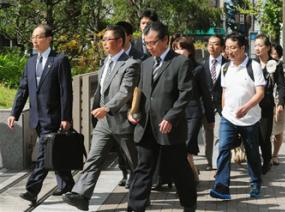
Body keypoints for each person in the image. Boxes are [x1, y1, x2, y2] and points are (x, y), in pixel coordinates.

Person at [62, 25, 140, 211]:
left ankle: (141, 196)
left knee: (134, 162)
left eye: (108, 39)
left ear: (120, 42)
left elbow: (125, 92)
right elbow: (101, 90)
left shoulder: (131, 64)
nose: (104, 43)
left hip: (121, 121)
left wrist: (107, 107)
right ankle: (81, 195)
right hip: (103, 122)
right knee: (94, 157)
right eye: (103, 40)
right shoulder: (105, 63)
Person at [127, 21, 197, 212]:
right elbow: (140, 92)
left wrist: (171, 117)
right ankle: (134, 207)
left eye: (153, 42)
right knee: (143, 168)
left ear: (165, 40)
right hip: (147, 126)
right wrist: (133, 112)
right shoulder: (146, 63)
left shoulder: (180, 62)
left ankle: (189, 204)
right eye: (146, 43)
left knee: (179, 170)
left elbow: (186, 94)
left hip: (170, 127)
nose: (150, 47)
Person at [7, 24, 74, 204]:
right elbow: (23, 89)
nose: (34, 41)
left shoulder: (59, 60)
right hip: (37, 118)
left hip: (54, 117)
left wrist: (66, 117)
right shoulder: (30, 62)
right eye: (33, 37)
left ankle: (32, 190)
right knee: (54, 152)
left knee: (44, 154)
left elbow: (65, 91)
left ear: (49, 38)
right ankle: (67, 183)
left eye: (38, 37)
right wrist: (15, 112)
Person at [210, 32, 265, 200]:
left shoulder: (253, 66)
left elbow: (260, 92)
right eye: (227, 48)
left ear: (242, 48)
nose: (229, 51)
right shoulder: (226, 67)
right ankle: (221, 187)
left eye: (233, 48)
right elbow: (224, 91)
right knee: (223, 148)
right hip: (228, 117)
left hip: (250, 118)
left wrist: (246, 107)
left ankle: (255, 183)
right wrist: (225, 110)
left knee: (252, 153)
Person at [172, 36, 215, 183]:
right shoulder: (170, 67)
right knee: (180, 148)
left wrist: (210, 118)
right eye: (176, 48)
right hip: (176, 114)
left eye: (182, 47)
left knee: (187, 146)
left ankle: (193, 178)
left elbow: (205, 93)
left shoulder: (198, 68)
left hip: (193, 113)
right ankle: (192, 174)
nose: (178, 51)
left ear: (189, 50)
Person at [115, 21, 142, 188]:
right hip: (114, 109)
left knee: (131, 146)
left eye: (120, 36)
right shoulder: (111, 57)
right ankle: (125, 173)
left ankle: (135, 175)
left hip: (132, 108)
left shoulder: (139, 57)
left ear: (128, 37)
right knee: (119, 147)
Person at [254, 34, 285, 174]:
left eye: (260, 45)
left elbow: (281, 85)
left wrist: (281, 103)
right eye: (255, 45)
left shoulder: (275, 64)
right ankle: (254, 162)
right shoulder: (251, 63)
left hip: (266, 105)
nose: (257, 48)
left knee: (264, 136)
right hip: (251, 105)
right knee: (252, 136)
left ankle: (266, 161)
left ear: (267, 47)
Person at [201, 35, 228, 170]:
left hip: (221, 106)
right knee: (207, 135)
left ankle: (218, 164)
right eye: (210, 44)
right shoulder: (201, 64)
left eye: (216, 44)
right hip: (205, 106)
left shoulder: (228, 64)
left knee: (219, 135)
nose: (212, 46)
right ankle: (208, 161)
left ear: (222, 47)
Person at [270, 44, 285, 165]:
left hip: (281, 104)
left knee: (278, 131)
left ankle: (275, 155)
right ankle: (265, 154)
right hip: (266, 104)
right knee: (265, 131)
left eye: (274, 54)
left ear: (279, 55)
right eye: (270, 54)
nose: (272, 56)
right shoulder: (264, 67)